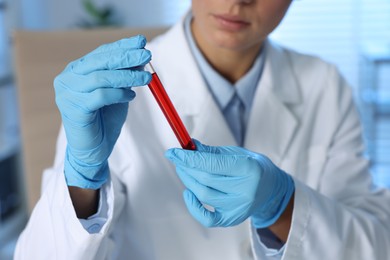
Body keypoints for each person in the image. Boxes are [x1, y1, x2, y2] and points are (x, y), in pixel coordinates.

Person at [15, 0, 390, 259]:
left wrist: (284, 205)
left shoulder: (325, 85)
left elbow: (373, 247)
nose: (238, 0)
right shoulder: (110, 90)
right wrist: (82, 179)